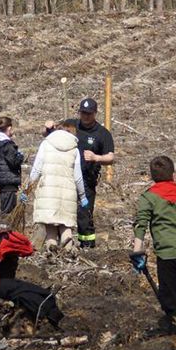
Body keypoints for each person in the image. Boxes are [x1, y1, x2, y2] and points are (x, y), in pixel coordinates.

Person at [131, 156, 176, 333]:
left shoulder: (148, 198)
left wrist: (137, 251)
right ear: (174, 173)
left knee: (170, 297)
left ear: (152, 176)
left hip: (168, 255)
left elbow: (141, 224)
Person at [27, 119, 87, 252]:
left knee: (50, 225)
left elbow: (36, 169)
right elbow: (77, 177)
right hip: (68, 192)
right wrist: (82, 196)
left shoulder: (46, 144)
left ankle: (52, 252)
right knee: (66, 224)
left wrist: (26, 190)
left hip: (47, 190)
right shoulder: (75, 149)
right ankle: (68, 251)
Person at [73, 98, 115, 249]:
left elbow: (111, 157)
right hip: (67, 177)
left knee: (84, 214)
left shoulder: (102, 133)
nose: (85, 116)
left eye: (89, 114)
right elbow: (52, 134)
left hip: (87, 180)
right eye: (83, 113)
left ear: (95, 113)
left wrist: (96, 157)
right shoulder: (71, 125)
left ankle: (87, 245)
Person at [0, 116, 25, 216]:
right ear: (9, 128)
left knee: (5, 207)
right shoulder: (7, 144)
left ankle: (5, 228)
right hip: (9, 180)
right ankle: (6, 229)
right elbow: (14, 161)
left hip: (2, 180)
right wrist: (20, 156)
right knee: (8, 212)